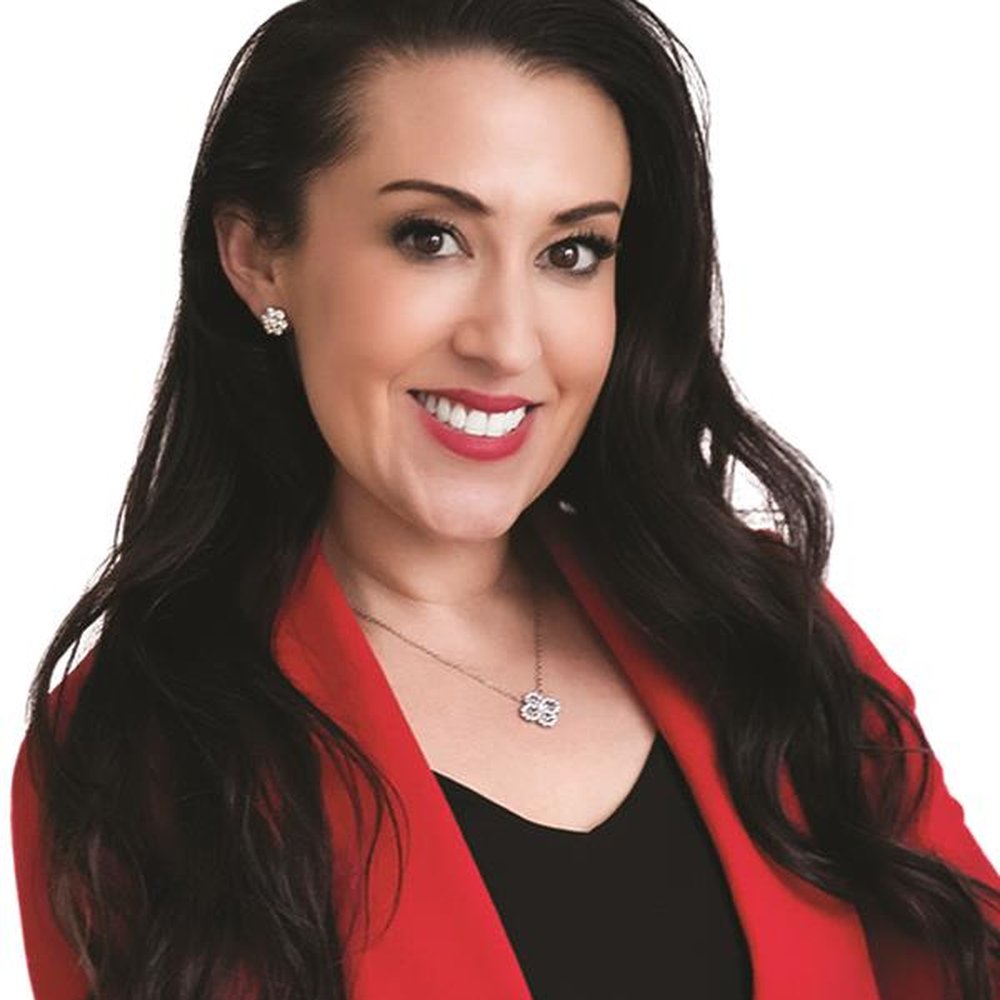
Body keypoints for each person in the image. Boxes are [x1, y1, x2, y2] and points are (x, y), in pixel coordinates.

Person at [11, 0, 1000, 997]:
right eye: (430, 237)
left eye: (572, 252)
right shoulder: (134, 752)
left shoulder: (765, 633)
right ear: (260, 256)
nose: (508, 342)